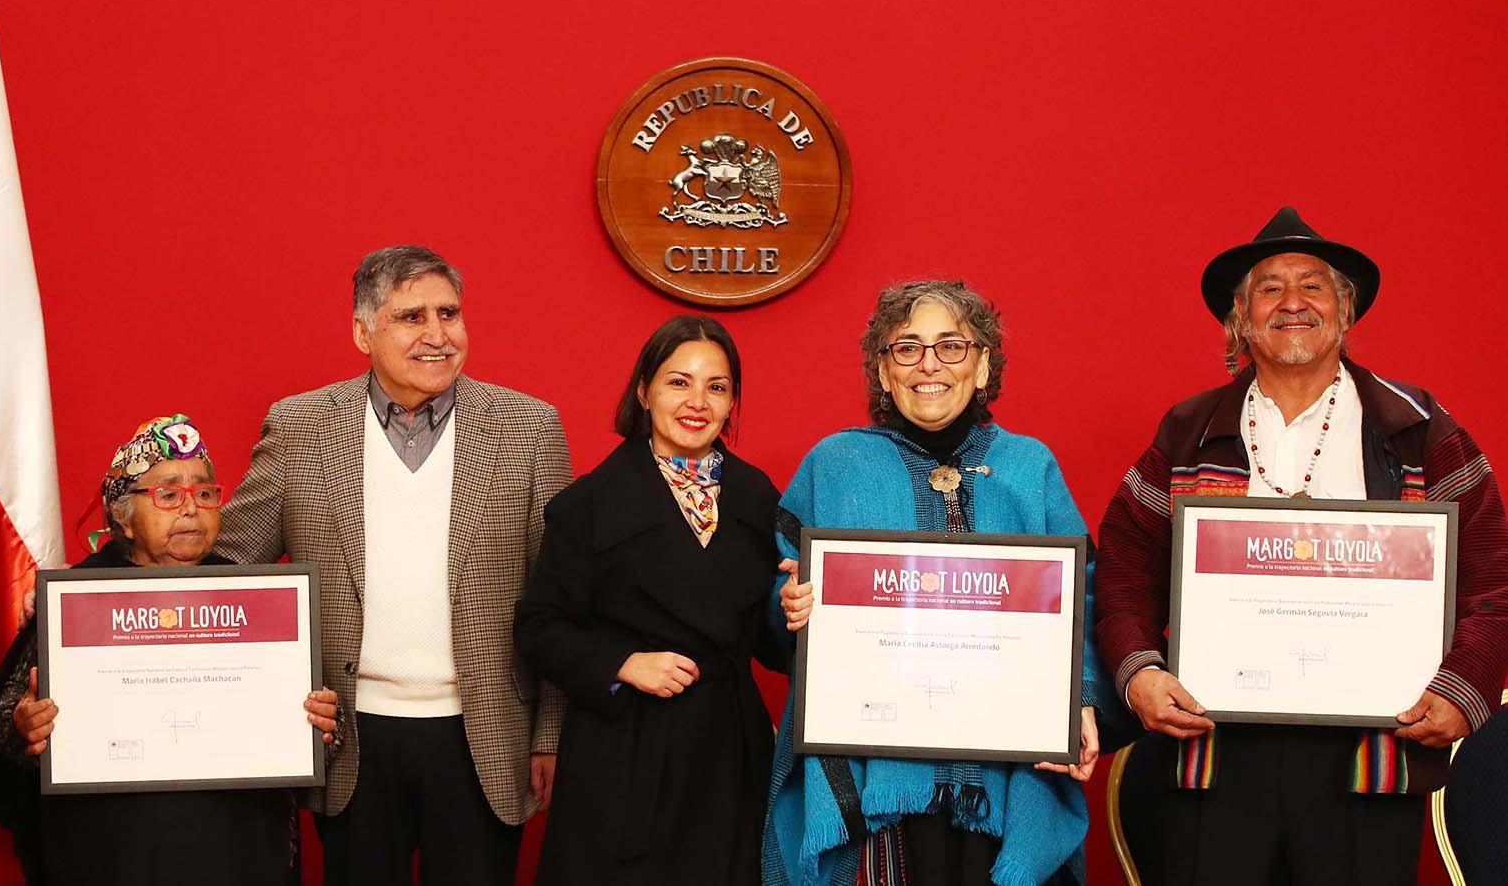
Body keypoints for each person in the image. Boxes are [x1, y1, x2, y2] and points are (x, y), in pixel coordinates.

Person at [1094, 207, 1508, 886]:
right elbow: (1124, 567)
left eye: (1313, 286)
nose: (1292, 302)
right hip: (1216, 756)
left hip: (1369, 761)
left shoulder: (1417, 429)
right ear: (1239, 317)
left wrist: (1459, 690)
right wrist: (1138, 671)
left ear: (1345, 312)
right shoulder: (1187, 430)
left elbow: (1492, 572)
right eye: (1269, 287)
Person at [216, 244, 572, 886]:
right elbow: (233, 568)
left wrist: (550, 732)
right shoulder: (299, 427)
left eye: (450, 313)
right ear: (362, 331)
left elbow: (557, 596)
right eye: (412, 317)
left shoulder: (529, 427)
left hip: (485, 734)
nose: (438, 335)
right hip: (350, 736)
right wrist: (95, 597)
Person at [769, 280, 1103, 886]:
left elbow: (1080, 599)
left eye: (952, 346)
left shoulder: (1031, 468)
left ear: (982, 367)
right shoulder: (833, 466)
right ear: (883, 369)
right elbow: (776, 593)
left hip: (1008, 771)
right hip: (875, 780)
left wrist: (1081, 697)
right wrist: (787, 602)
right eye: (907, 348)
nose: (929, 365)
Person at [0, 414, 340, 885]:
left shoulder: (258, 597)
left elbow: (320, 726)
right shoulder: (74, 600)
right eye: (168, 494)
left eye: (204, 493)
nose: (191, 508)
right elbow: (9, 731)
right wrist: (25, 726)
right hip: (108, 851)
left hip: (239, 847)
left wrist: (322, 724)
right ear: (124, 517)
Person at [516, 316, 783, 885]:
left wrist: (797, 612)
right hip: (626, 754)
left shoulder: (759, 496)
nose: (698, 402)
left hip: (728, 753)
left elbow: (766, 638)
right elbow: (539, 627)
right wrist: (622, 664)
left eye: (717, 386)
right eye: (678, 382)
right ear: (644, 391)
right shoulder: (588, 504)